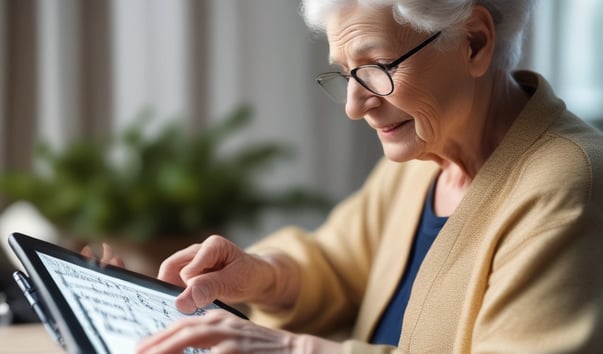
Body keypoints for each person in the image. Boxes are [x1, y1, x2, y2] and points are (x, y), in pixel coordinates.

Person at [96, 0, 603, 353]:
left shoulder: (568, 182)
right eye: (344, 73)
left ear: (474, 41)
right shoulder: (418, 163)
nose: (354, 106)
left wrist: (296, 350)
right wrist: (262, 276)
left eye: (377, 67)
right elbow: (337, 264)